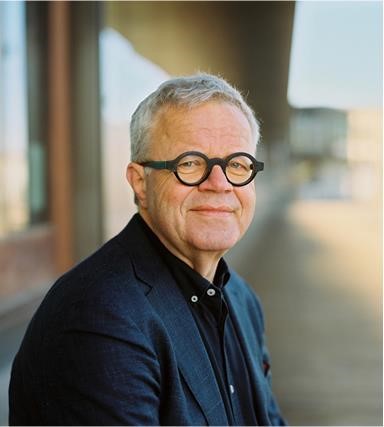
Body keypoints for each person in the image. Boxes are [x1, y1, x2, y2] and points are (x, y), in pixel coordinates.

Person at [9, 73, 286, 426]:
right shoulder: (99, 318)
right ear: (140, 182)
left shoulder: (242, 299)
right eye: (190, 163)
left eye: (237, 165)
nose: (219, 184)